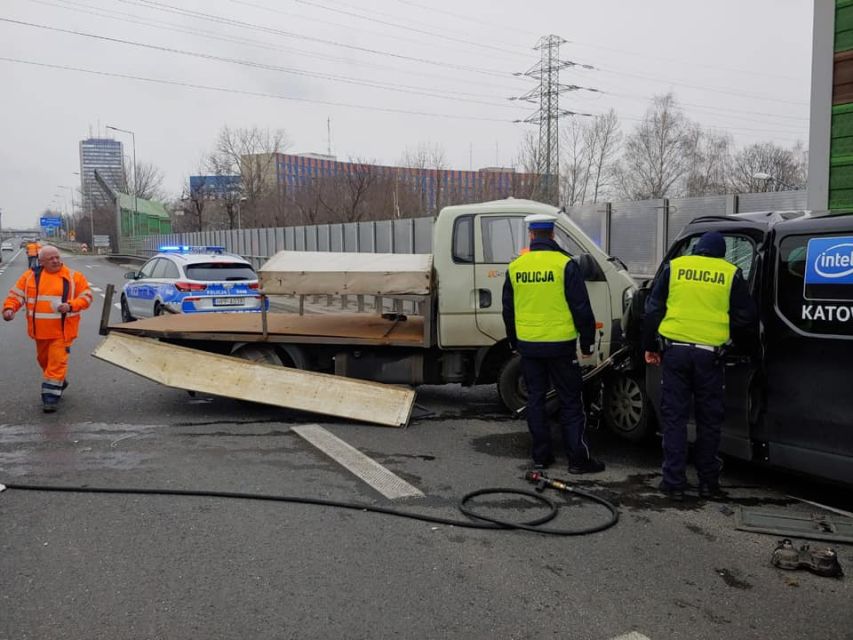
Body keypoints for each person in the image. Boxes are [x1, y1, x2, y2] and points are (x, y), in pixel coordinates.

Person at [643, 231, 757, 501]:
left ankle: (673, 483)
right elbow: (745, 318)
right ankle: (708, 483)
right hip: (710, 358)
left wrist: (650, 346)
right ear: (720, 253)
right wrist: (748, 350)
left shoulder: (676, 267)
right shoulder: (730, 273)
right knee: (709, 421)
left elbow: (652, 309)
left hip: (675, 354)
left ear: (696, 250)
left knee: (674, 419)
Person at [502, 213, 605, 475]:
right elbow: (581, 307)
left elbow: (508, 311)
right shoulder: (565, 264)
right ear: (553, 234)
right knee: (571, 401)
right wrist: (587, 342)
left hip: (528, 347)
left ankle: (541, 457)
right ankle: (577, 461)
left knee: (535, 399)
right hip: (561, 346)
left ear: (531, 235)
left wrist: (515, 341)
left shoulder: (516, 267)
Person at [3, 245, 94, 413]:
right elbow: (15, 295)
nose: (55, 260)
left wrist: (70, 306)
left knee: (56, 361)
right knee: (44, 361)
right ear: (42, 261)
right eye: (51, 258)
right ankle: (59, 380)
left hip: (63, 331)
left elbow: (87, 297)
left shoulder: (74, 276)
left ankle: (50, 398)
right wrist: (9, 309)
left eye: (57, 257)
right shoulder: (30, 277)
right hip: (40, 332)